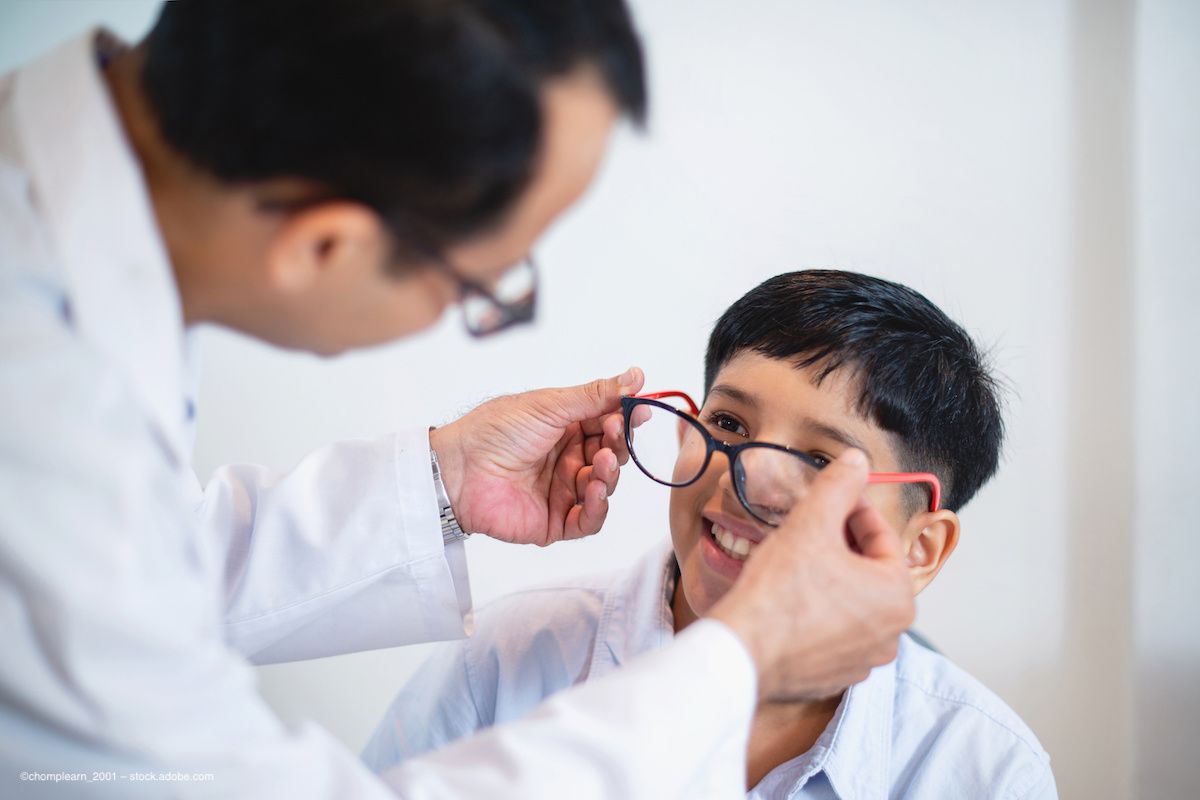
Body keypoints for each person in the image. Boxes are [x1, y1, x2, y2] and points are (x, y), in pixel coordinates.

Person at [0, 2, 914, 797]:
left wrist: (441, 482)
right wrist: (741, 667)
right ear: (323, 248)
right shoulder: (36, 401)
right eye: (486, 282)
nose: (747, 476)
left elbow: (137, 577)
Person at [362, 270, 1059, 799]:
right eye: (727, 423)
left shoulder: (980, 762)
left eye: (821, 461)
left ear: (920, 548)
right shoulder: (514, 655)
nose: (746, 480)